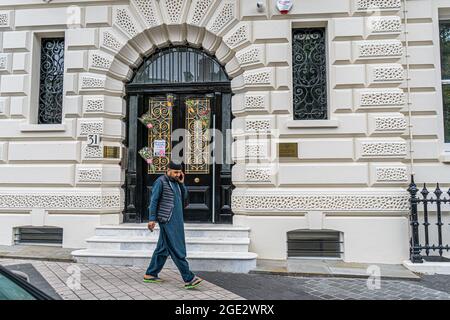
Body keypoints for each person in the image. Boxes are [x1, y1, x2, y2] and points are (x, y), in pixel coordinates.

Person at [143, 161, 203, 290]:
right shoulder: (160, 182)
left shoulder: (176, 182)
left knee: (163, 248)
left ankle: (150, 273)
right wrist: (152, 219)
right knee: (176, 248)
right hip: (167, 219)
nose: (177, 174)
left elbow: (185, 199)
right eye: (175, 172)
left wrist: (182, 183)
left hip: (177, 220)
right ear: (168, 170)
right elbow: (154, 201)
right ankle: (189, 278)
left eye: (179, 172)